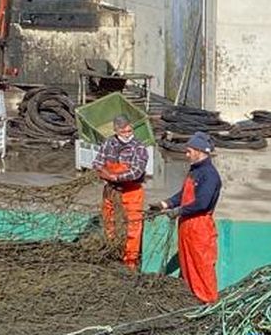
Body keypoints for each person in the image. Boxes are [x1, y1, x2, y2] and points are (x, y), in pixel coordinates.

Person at [150, 132, 222, 304]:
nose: (187, 155)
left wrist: (179, 211)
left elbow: (202, 203)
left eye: (189, 151)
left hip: (200, 226)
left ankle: (208, 300)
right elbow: (183, 195)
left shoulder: (210, 175)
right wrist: (164, 204)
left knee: (201, 265)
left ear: (199, 151)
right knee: (188, 263)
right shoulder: (194, 171)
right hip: (186, 226)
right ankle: (192, 299)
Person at [92, 115, 149, 269]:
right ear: (115, 131)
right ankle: (112, 255)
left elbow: (136, 172)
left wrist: (115, 177)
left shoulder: (139, 148)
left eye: (129, 130)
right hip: (110, 191)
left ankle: (130, 262)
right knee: (109, 223)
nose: (127, 134)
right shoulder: (108, 143)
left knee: (132, 228)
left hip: (132, 192)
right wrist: (102, 172)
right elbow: (97, 163)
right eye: (123, 131)